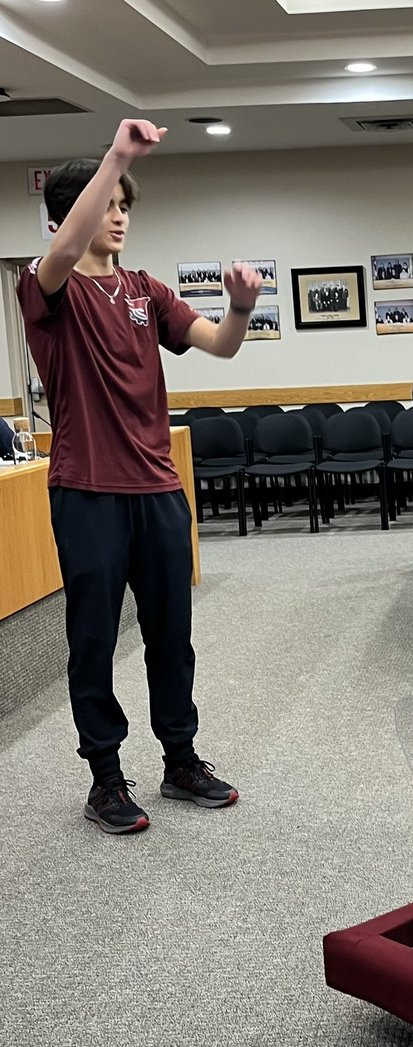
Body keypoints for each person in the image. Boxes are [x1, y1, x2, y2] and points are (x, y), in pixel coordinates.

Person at [16, 118, 263, 834]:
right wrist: (117, 154)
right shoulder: (46, 286)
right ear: (69, 215)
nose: (120, 216)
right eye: (108, 203)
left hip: (157, 489)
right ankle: (104, 779)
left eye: (126, 205)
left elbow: (218, 345)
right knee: (93, 638)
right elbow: (61, 252)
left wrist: (240, 307)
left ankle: (180, 760)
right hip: (88, 491)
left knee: (170, 636)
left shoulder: (144, 289)